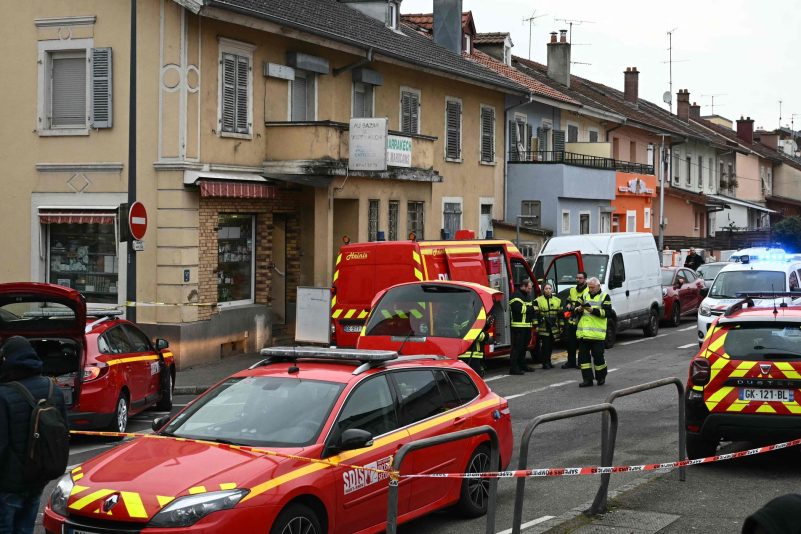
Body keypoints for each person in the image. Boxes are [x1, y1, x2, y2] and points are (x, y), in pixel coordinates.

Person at [0, 336, 68, 534]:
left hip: (8, 486)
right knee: (26, 529)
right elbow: (63, 433)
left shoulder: (4, 394)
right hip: (38, 478)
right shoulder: (52, 389)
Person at [575, 277, 612, 387]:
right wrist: (578, 309)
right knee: (584, 359)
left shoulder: (604, 296)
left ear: (598, 286)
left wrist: (593, 310)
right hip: (584, 334)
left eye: (592, 287)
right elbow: (575, 307)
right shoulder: (585, 295)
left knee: (598, 357)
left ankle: (601, 377)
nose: (590, 289)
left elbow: (607, 312)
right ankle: (587, 380)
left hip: (597, 335)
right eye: (589, 287)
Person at [562, 271, 589, 369]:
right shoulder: (573, 290)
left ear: (585, 279)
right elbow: (568, 299)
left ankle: (581, 362)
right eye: (577, 278)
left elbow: (582, 305)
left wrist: (574, 307)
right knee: (570, 343)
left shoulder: (587, 291)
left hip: (582, 320)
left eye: (580, 278)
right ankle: (571, 362)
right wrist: (568, 303)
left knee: (582, 343)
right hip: (572, 320)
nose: (577, 279)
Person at [509, 279, 536, 375]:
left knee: (524, 347)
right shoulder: (515, 296)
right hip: (518, 327)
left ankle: (522, 365)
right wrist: (532, 308)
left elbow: (529, 309)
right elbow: (518, 309)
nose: (530, 290)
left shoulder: (527, 296)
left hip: (526, 326)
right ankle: (513, 368)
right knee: (517, 348)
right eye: (529, 288)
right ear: (523, 286)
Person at [534, 283, 561, 369]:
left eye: (550, 288)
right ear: (543, 290)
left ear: (552, 290)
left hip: (553, 326)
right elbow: (535, 315)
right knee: (545, 345)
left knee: (551, 346)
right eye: (546, 288)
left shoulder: (557, 300)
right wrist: (536, 326)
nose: (548, 290)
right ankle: (545, 363)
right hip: (543, 326)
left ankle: (549, 361)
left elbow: (560, 315)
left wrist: (561, 326)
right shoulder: (537, 300)